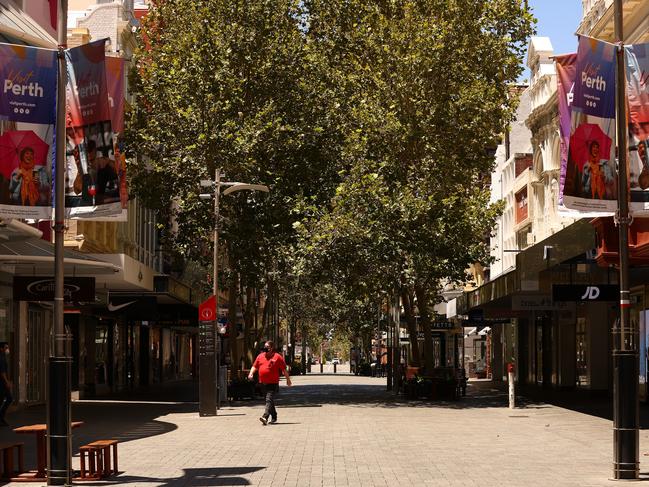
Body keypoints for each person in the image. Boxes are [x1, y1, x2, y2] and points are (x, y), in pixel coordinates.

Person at [248, 341, 291, 425]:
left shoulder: (278, 357)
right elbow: (255, 366)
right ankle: (274, 415)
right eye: (265, 346)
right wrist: (251, 373)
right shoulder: (260, 356)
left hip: (273, 383)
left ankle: (265, 417)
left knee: (268, 399)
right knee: (269, 400)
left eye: (267, 347)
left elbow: (284, 369)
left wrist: (288, 379)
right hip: (262, 382)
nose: (265, 348)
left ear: (271, 348)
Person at [0, 342, 13, 427]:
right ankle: (1, 417)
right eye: (5, 347)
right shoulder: (1, 358)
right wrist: (7, 382)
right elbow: (2, 372)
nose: (7, 349)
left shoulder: (3, 357)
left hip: (3, 383)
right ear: (1, 348)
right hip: (2, 383)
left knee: (7, 398)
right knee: (7, 398)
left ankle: (1, 417)